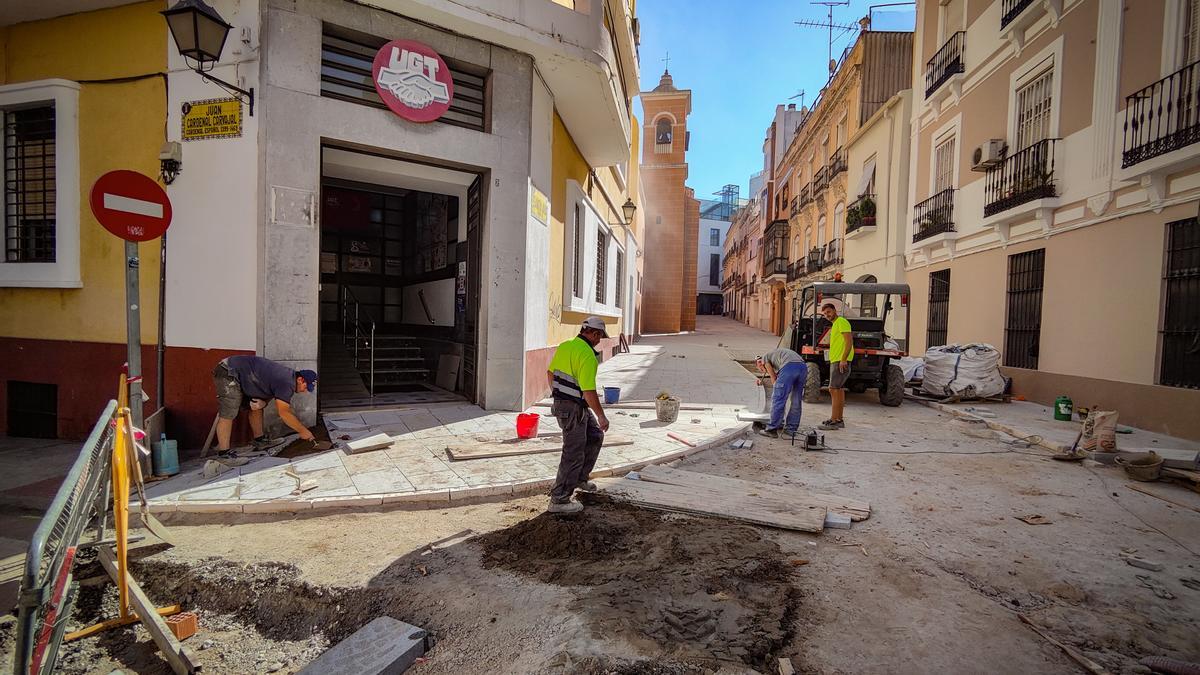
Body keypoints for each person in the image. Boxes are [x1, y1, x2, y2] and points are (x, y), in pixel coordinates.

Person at [545, 316, 611, 514]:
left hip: (570, 405)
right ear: (594, 333)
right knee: (573, 451)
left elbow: (550, 373)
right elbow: (589, 391)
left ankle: (580, 478)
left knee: (594, 436)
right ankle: (559, 498)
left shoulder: (566, 345)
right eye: (599, 337)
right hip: (573, 408)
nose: (599, 341)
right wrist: (601, 415)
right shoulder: (588, 355)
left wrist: (558, 395)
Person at [212, 355, 318, 454]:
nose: (304, 391)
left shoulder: (286, 378)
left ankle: (260, 440)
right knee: (229, 411)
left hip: (245, 376)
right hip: (229, 371)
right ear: (300, 379)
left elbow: (268, 391)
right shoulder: (287, 383)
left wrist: (264, 403)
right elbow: (284, 413)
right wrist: (303, 431)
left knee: (258, 404)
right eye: (306, 387)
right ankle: (224, 454)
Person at [755, 348, 807, 438]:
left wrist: (777, 386)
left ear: (760, 363)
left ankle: (772, 429)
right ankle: (791, 429)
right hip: (803, 367)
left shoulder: (765, 359)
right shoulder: (776, 356)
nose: (765, 371)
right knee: (796, 400)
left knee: (778, 398)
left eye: (762, 370)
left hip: (789, 367)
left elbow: (774, 378)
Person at [820, 302, 853, 430]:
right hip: (836, 360)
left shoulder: (842, 322)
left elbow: (849, 341)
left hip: (841, 360)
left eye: (828, 312)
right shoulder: (835, 325)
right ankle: (838, 419)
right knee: (838, 389)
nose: (827, 315)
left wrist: (843, 359)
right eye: (825, 314)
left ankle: (835, 420)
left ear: (834, 310)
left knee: (833, 389)